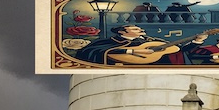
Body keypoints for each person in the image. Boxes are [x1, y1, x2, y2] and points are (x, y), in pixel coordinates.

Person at [75, 24, 209, 65]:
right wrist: (132, 52)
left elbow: (178, 50)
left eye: (140, 29)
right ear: (122, 31)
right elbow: (93, 51)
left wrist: (197, 41)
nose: (141, 30)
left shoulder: (151, 40)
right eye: (136, 29)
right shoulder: (110, 41)